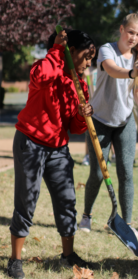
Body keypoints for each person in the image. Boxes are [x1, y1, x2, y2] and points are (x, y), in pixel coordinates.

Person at [7, 29, 96, 279]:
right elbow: (42, 76)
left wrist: (82, 113)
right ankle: (15, 261)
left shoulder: (79, 83)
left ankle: (68, 255)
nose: (90, 62)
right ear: (72, 52)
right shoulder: (45, 67)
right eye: (87, 56)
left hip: (58, 149)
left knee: (67, 200)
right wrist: (57, 49)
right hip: (31, 143)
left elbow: (76, 128)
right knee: (26, 201)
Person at [79, 12, 138, 241]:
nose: (133, 37)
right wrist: (132, 71)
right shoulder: (106, 50)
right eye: (130, 32)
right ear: (121, 29)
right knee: (98, 174)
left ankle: (125, 224)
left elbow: (136, 89)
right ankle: (86, 216)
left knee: (126, 173)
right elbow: (111, 70)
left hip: (125, 121)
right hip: (99, 119)